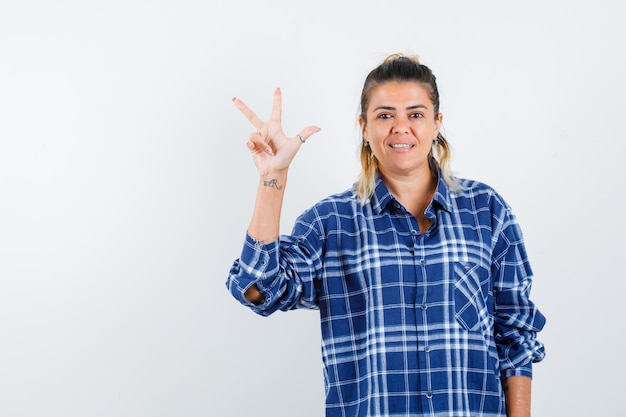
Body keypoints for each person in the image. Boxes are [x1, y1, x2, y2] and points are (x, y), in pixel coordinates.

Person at [226, 53, 546, 417]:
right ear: (364, 126)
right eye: (384, 115)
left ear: (437, 123)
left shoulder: (486, 211)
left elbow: (515, 335)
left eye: (415, 114)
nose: (400, 127)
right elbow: (258, 290)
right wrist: (273, 178)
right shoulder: (331, 222)